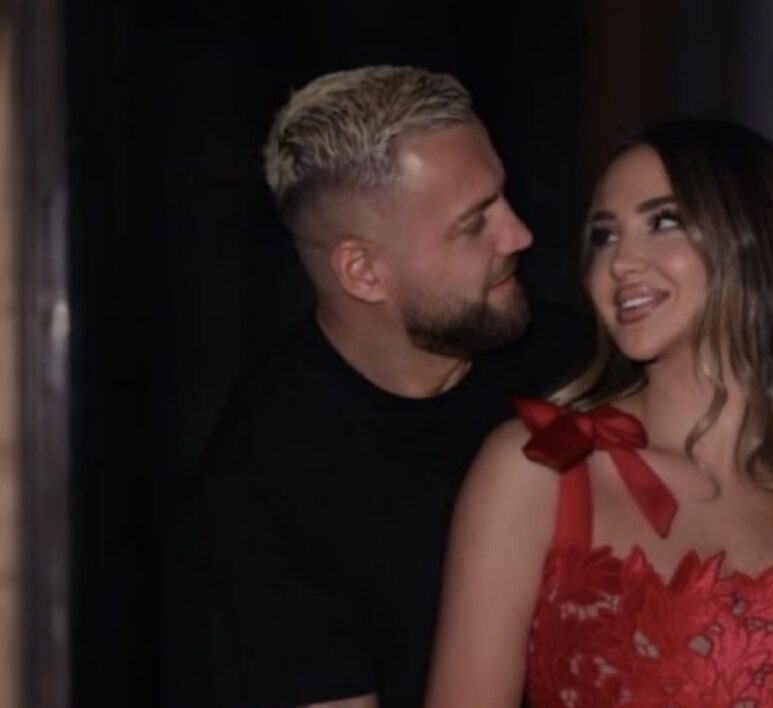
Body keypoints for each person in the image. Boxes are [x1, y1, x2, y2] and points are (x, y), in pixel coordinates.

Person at [426, 118, 773, 707]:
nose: (620, 262)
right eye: (604, 236)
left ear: (754, 240)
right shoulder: (541, 467)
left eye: (663, 222)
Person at [179, 66, 589, 708]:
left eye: (502, 197)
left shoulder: (575, 357)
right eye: (474, 222)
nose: (519, 234)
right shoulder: (262, 478)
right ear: (363, 272)